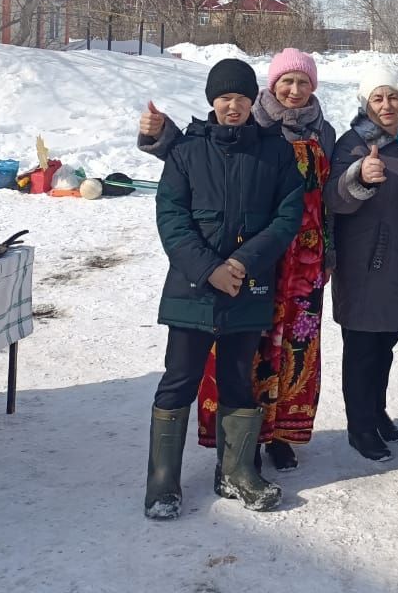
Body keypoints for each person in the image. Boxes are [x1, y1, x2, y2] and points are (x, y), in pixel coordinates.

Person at [139, 48, 336, 472]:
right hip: (249, 264)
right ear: (271, 87)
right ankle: (237, 449)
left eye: (303, 82)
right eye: (287, 81)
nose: (295, 90)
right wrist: (160, 134)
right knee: (245, 359)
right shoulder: (258, 126)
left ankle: (278, 436)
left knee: (294, 350)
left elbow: (324, 198)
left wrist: (329, 248)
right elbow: (202, 158)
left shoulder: (326, 132)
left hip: (296, 262)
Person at [325, 64, 398, 462]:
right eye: (378, 98)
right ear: (365, 103)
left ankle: (376, 410)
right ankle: (360, 426)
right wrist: (360, 177)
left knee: (385, 342)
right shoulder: (352, 143)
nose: (387, 105)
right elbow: (334, 198)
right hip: (365, 262)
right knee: (362, 346)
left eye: (393, 96)